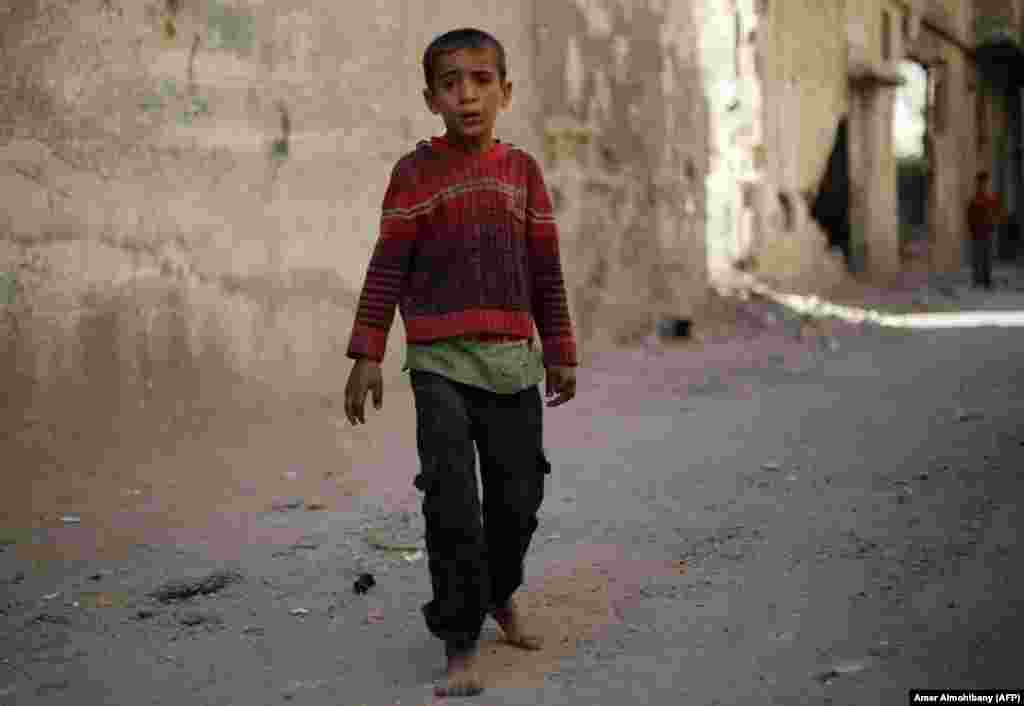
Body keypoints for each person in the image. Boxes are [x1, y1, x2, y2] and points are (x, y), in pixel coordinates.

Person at [343, 27, 578, 698]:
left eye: (480, 80)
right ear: (430, 98)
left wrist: (559, 350)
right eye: (451, 83)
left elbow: (546, 273)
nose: (466, 94)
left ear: (506, 92)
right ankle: (459, 639)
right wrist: (367, 352)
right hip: (440, 361)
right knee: (451, 503)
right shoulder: (414, 174)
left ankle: (499, 592)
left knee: (519, 498)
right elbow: (387, 266)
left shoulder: (523, 173)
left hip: (512, 363)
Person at [966, 171, 1005, 289]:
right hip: (978, 232)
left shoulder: (988, 199)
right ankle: (978, 280)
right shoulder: (975, 200)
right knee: (978, 256)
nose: (983, 185)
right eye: (981, 182)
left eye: (984, 183)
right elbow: (970, 216)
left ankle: (986, 280)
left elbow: (996, 211)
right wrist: (972, 229)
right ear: (978, 183)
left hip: (987, 231)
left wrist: (994, 222)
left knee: (986, 256)